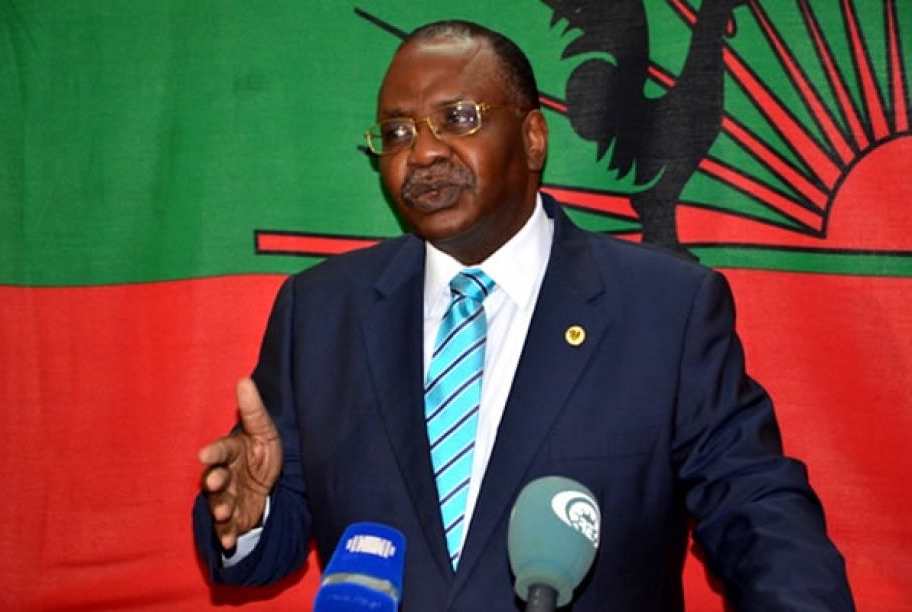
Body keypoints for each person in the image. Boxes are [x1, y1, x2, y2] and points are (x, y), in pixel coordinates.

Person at [194, 20, 854, 611]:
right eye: (397, 133)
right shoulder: (320, 312)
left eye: (458, 118)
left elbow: (753, 507)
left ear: (533, 138)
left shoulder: (665, 309)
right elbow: (270, 542)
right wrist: (250, 516)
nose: (423, 153)